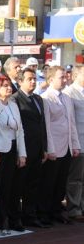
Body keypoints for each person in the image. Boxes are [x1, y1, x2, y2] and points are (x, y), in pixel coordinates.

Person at [38, 66, 81, 225]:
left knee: (61, 183)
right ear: (50, 80)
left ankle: (56, 211)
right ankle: (44, 212)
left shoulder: (67, 98)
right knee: (48, 182)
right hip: (54, 148)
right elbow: (46, 127)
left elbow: (72, 124)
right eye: (61, 77)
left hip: (67, 147)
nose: (65, 80)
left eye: (65, 77)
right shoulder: (45, 98)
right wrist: (50, 149)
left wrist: (75, 145)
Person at [0, 76, 26, 235]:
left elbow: (20, 130)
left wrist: (22, 154)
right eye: (4, 86)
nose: (9, 88)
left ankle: (6, 222)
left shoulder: (13, 105)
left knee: (9, 188)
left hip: (12, 149)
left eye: (9, 85)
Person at [10, 68, 49, 228]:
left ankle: (30, 216)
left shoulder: (38, 99)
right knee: (18, 186)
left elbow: (42, 125)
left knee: (33, 185)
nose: (33, 81)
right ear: (20, 82)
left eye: (34, 79)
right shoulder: (15, 99)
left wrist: (45, 148)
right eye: (29, 79)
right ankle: (15, 218)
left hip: (38, 149)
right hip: (23, 150)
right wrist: (21, 152)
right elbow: (17, 128)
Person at [63, 65, 84, 221]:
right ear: (77, 75)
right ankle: (74, 208)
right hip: (78, 142)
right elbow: (68, 121)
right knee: (75, 177)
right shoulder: (69, 93)